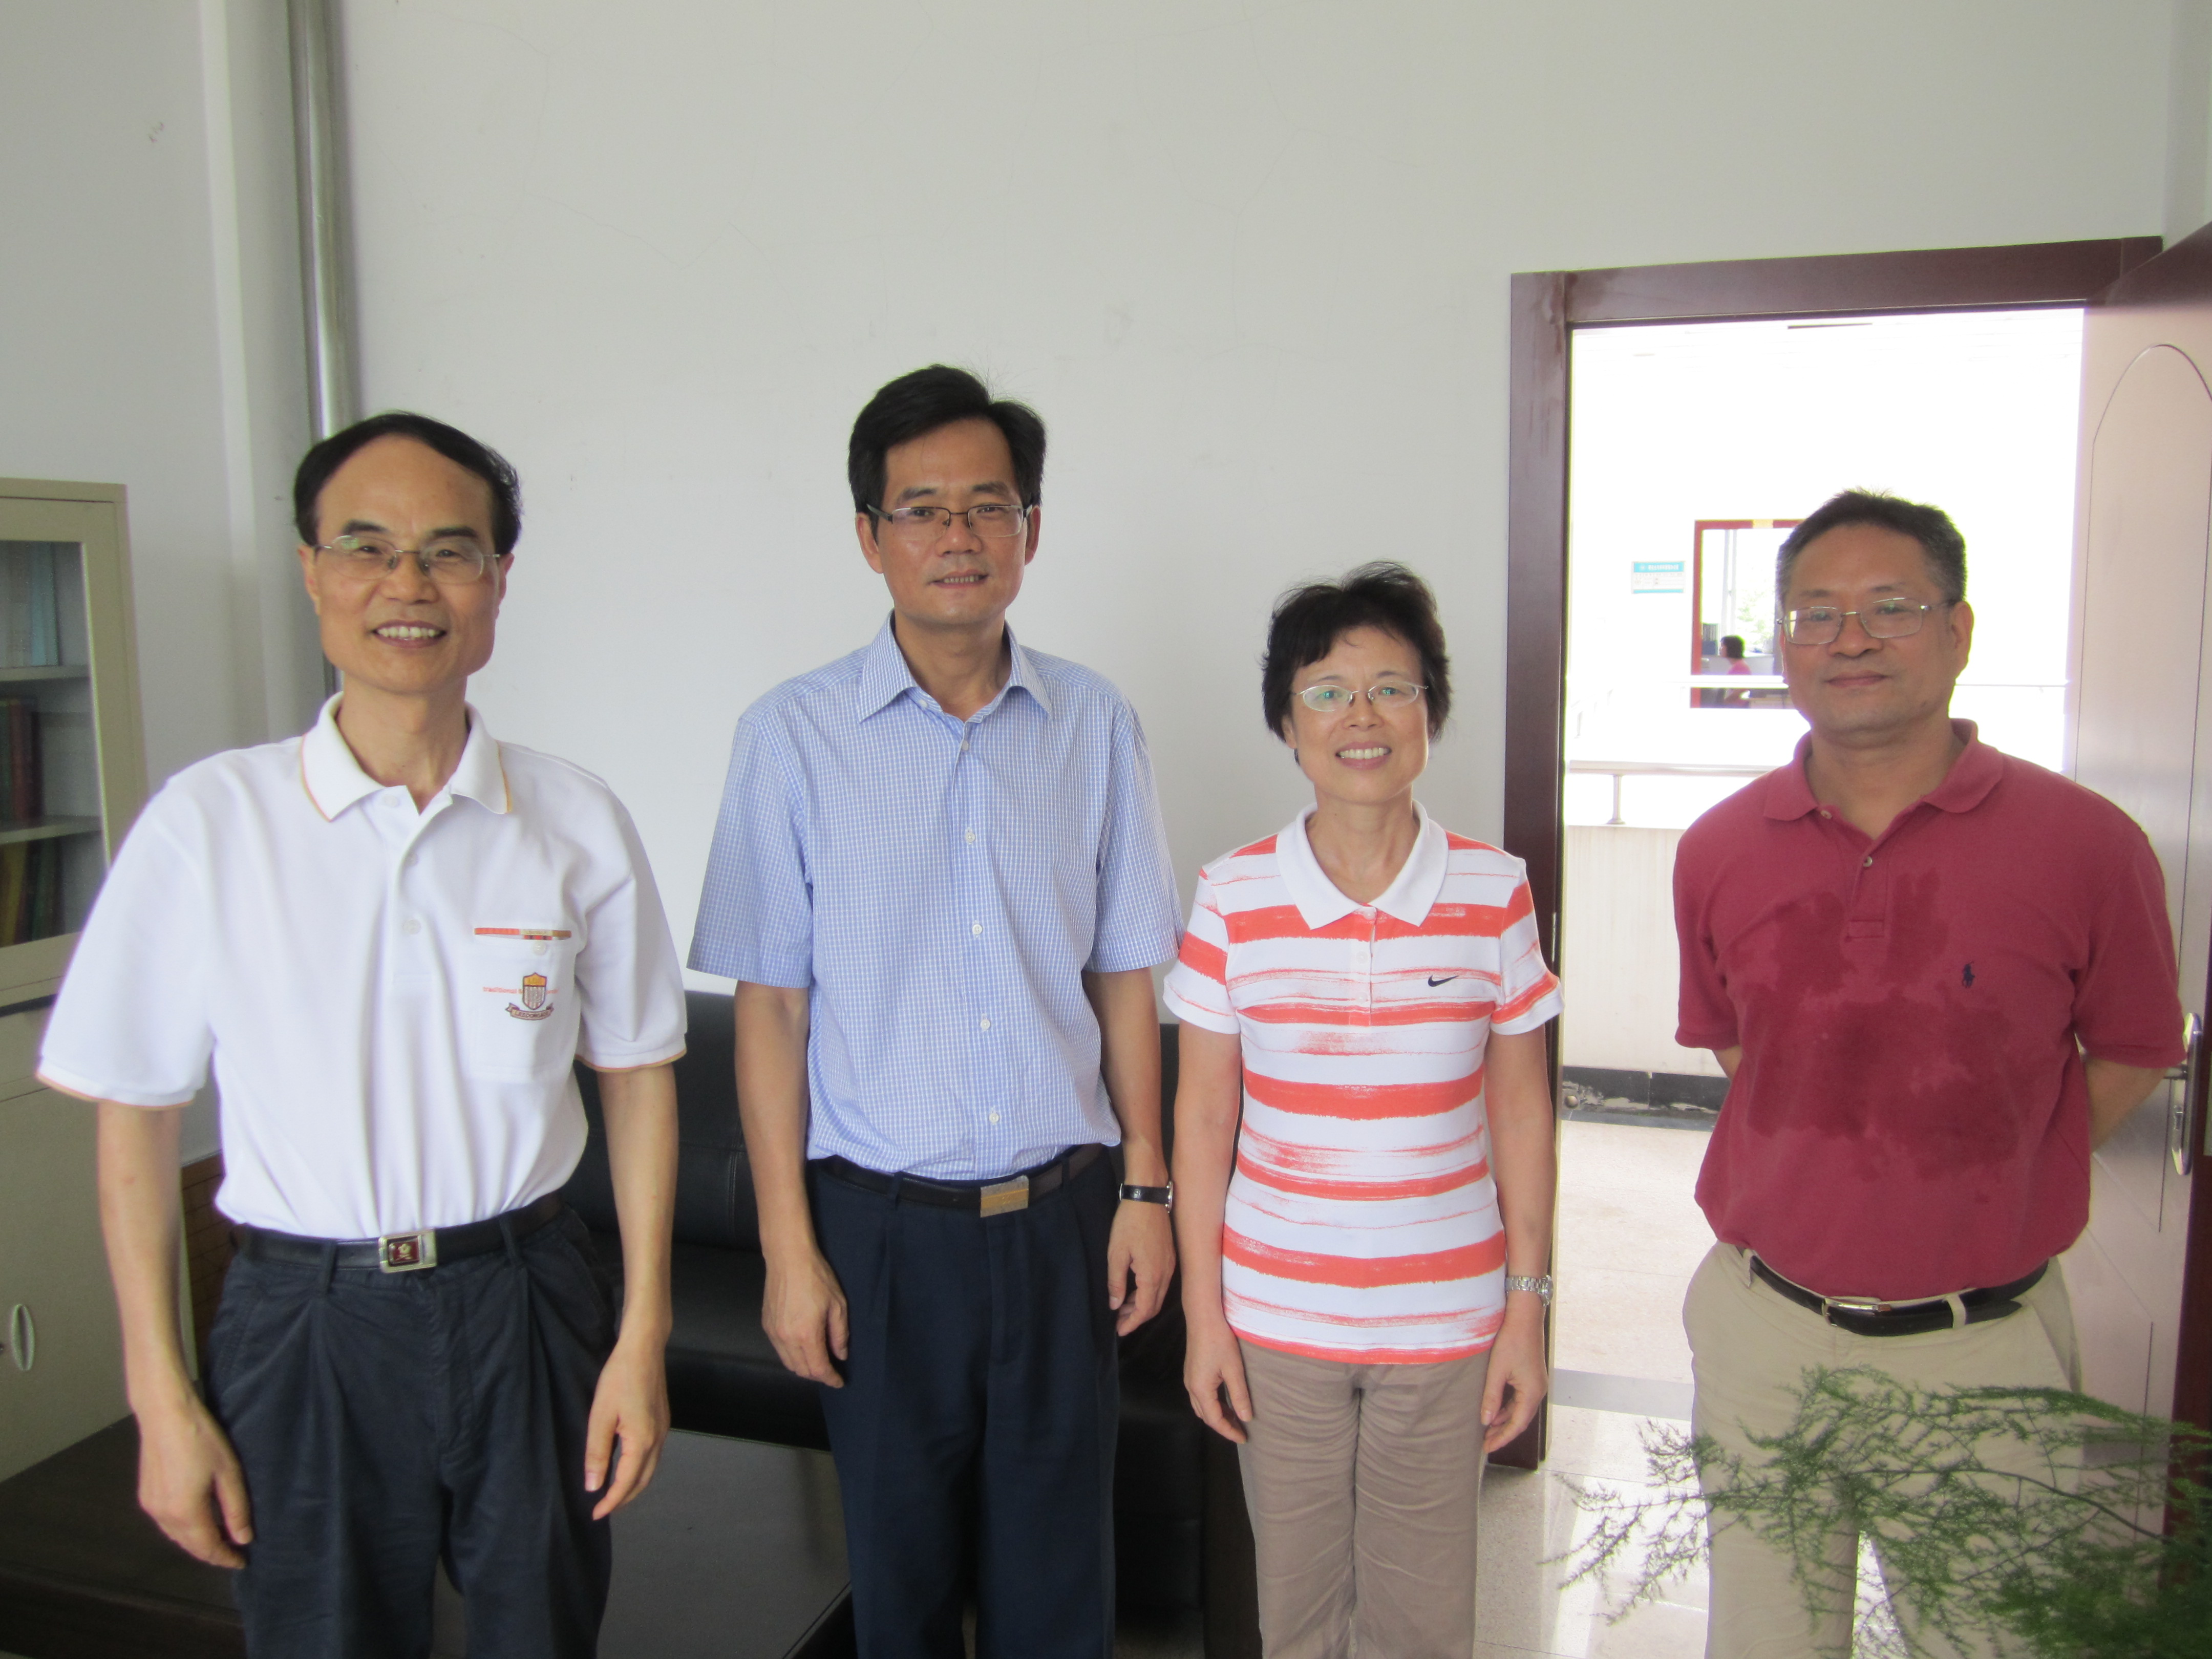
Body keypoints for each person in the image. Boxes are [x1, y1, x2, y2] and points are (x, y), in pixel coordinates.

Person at [39, 413, 686, 1658]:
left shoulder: (572, 819)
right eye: (367, 546)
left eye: (450, 550)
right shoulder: (209, 823)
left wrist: (640, 1334)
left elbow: (640, 1076)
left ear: (499, 580)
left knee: (545, 1635)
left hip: (527, 1299)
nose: (408, 584)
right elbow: (136, 1117)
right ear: (310, 569)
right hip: (307, 1317)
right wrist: (159, 1392)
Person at [688, 365, 1181, 1659]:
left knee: (1059, 1590)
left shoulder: (1095, 724)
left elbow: (1125, 974)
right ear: (871, 536)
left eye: (987, 505)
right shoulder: (789, 738)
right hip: (878, 1234)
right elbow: (770, 1012)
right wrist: (789, 1250)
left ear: (1030, 527)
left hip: (1062, 1221)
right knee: (897, 1591)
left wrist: (1146, 1187)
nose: (957, 535)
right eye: (922, 509)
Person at [1672, 488, 2185, 1657]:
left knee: (1988, 1639)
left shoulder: (2087, 843)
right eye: (1816, 613)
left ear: (1958, 632)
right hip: (1764, 1331)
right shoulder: (1718, 848)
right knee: (1762, 1639)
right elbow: (1744, 1046)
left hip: (1983, 1347)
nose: (1850, 638)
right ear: (1784, 645)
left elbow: (2136, 1048)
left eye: (1890, 607)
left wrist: (2004, 1152)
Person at [1167, 562, 1561, 1659]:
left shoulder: (1495, 889)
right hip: (1276, 1320)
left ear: (1430, 711)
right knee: (1295, 1618)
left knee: (1422, 1625)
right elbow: (1203, 1122)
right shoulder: (1233, 894)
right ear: (1287, 723)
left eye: (1393, 688)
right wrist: (1205, 1318)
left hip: (1446, 1324)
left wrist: (1527, 1309)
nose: (1362, 717)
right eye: (1327, 693)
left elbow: (1523, 1117)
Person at [1718, 632, 1752, 707]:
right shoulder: (1737, 665)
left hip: (1737, 706)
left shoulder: (1740, 667)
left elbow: (1738, 692)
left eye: (1722, 646)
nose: (1720, 649)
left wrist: (1721, 704)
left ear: (1730, 648)